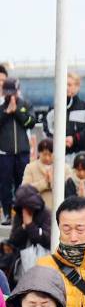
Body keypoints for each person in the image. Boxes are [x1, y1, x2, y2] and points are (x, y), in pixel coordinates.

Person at [1, 82, 36, 225]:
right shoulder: (1, 107)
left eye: (13, 92)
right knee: (5, 185)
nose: (11, 95)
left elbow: (31, 122)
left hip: (22, 151)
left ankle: (22, 214)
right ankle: (7, 214)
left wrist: (16, 111)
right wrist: (6, 113)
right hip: (4, 152)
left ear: (18, 91)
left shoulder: (26, 104)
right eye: (7, 92)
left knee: (22, 183)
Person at [8, 185, 52, 264]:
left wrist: (30, 225)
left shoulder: (46, 214)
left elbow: (47, 240)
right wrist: (24, 227)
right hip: (21, 259)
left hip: (43, 258)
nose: (27, 211)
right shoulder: (19, 215)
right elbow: (13, 240)